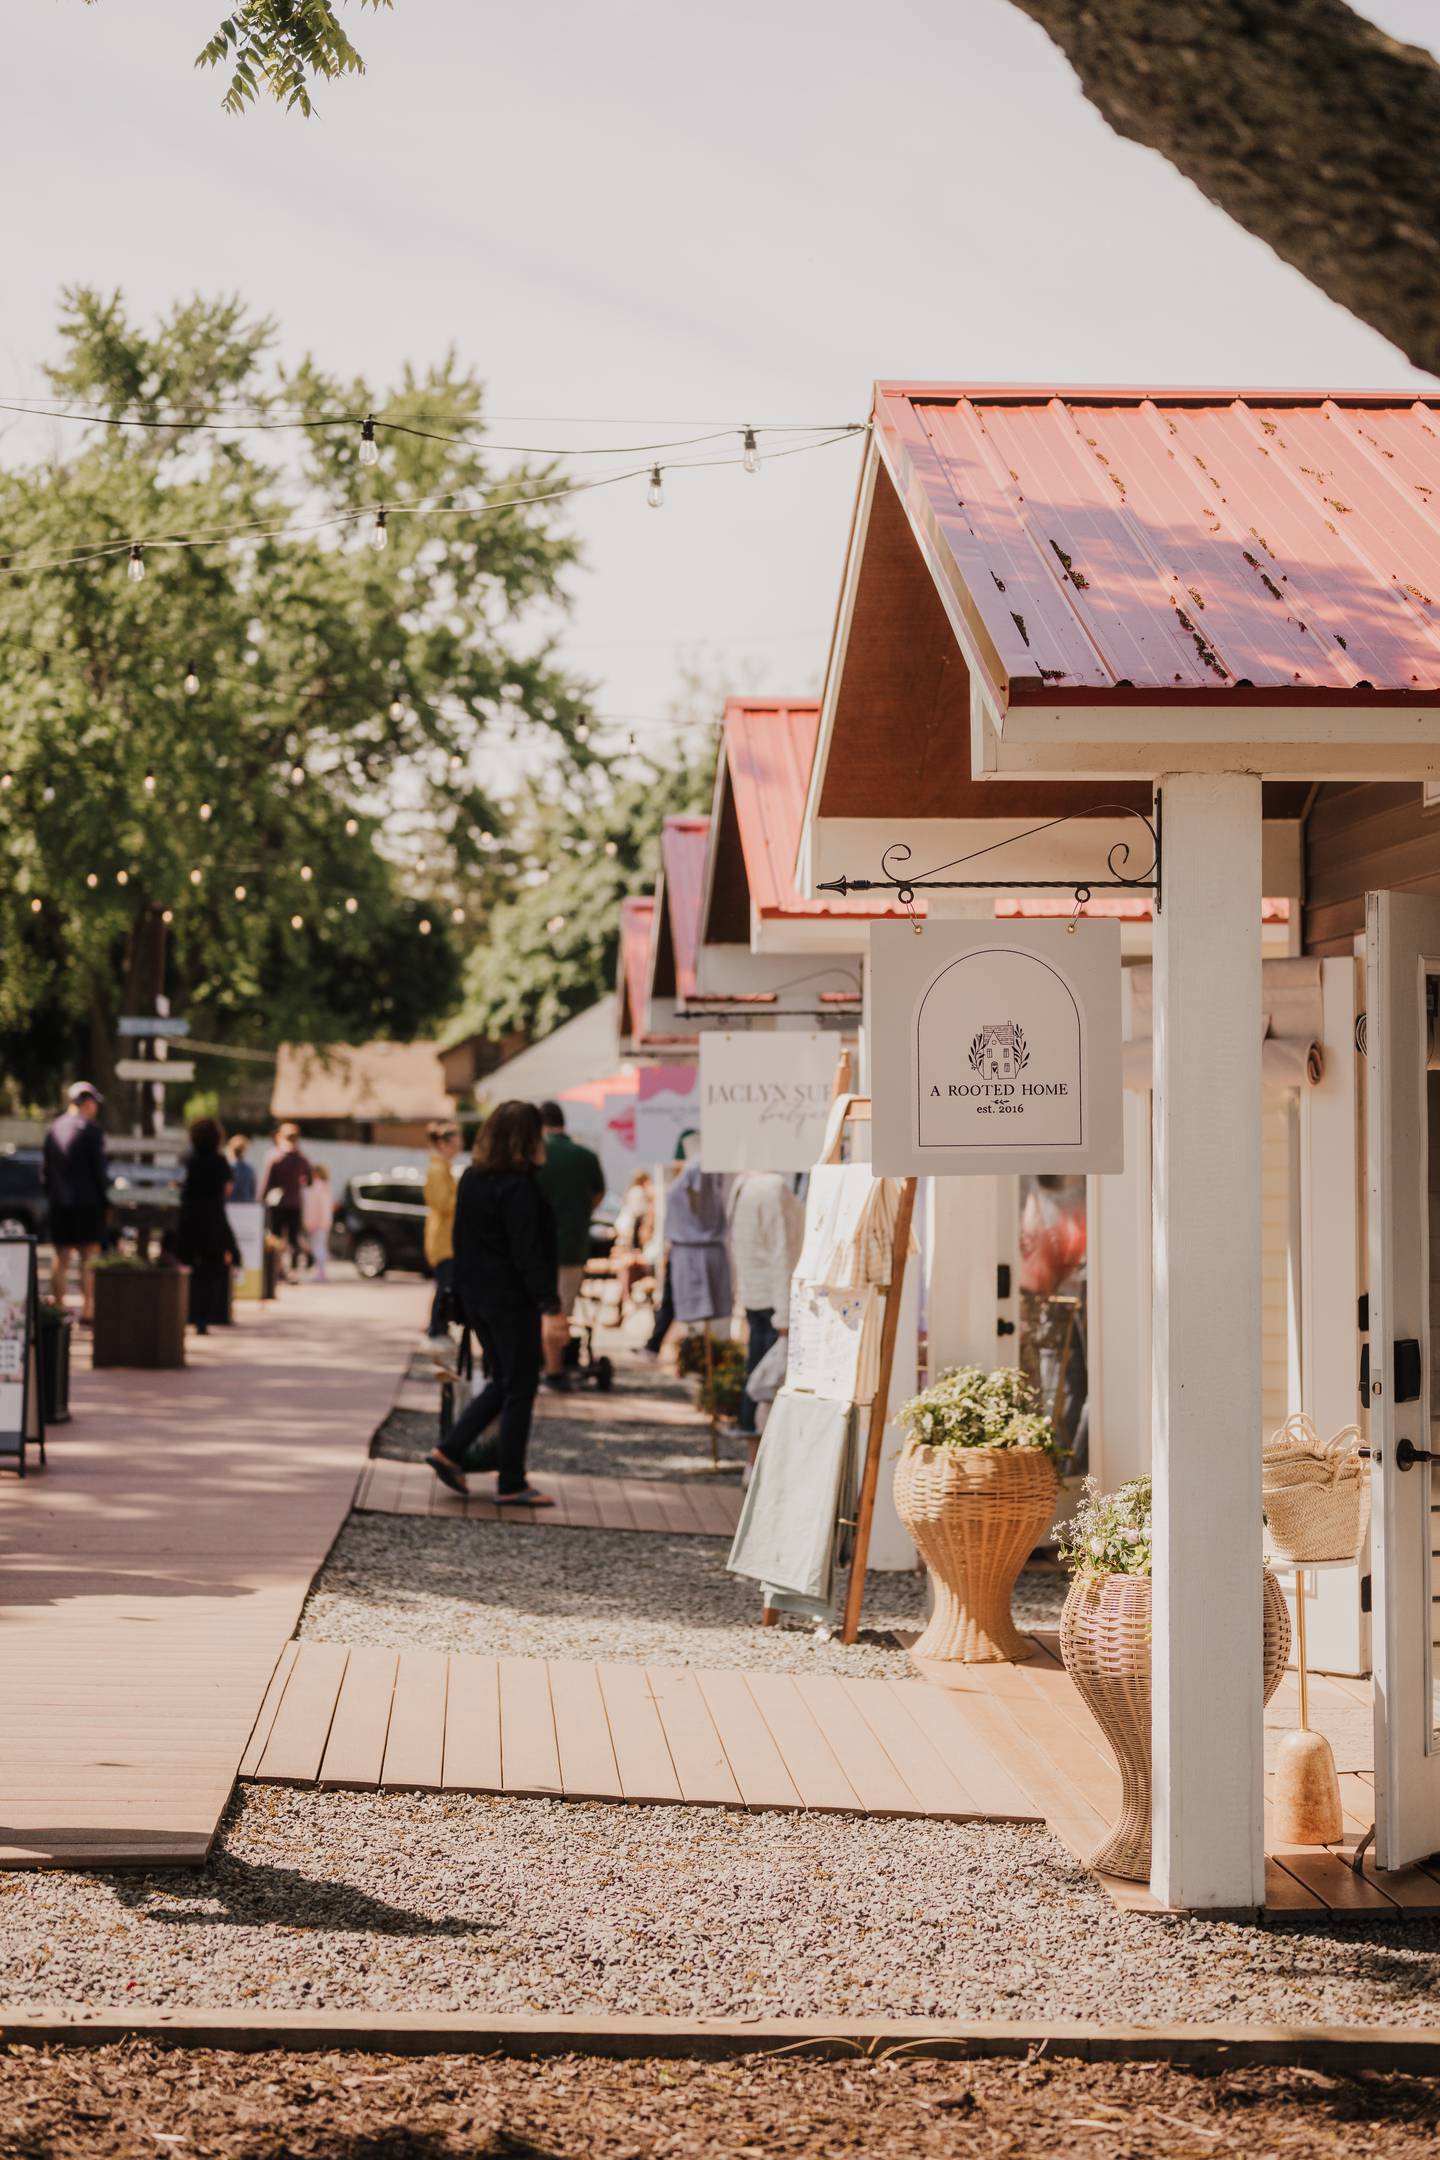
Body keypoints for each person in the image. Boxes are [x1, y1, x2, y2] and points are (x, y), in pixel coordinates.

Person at [426, 1100, 562, 1507]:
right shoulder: (518, 1186)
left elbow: (462, 1241)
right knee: (521, 1383)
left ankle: (449, 1450)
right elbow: (527, 1252)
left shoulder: (471, 1177)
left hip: (476, 1297)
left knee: (505, 1379)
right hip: (510, 1298)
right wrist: (550, 1305)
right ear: (527, 1139)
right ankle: (511, 1479)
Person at [725, 1171, 805, 1448]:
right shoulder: (772, 1188)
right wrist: (784, 1315)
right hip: (774, 1300)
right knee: (770, 1387)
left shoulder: (743, 1186)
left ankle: (752, 1459)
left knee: (757, 1377)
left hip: (755, 1296)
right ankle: (759, 1459)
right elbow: (781, 1250)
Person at [534, 1099, 605, 1392]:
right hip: (573, 1247)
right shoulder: (585, 1156)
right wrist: (580, 1213)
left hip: (537, 1248)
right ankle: (556, 1367)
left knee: (542, 1311)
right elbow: (598, 1194)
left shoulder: (534, 1156)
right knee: (563, 1310)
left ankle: (548, 1368)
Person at [42, 1082, 110, 1325]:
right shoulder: (92, 1130)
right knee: (89, 1255)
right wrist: (106, 1201)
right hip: (88, 1201)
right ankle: (88, 1310)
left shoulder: (54, 1128)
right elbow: (99, 1170)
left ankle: (58, 1309)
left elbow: (46, 1170)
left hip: (59, 1201)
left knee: (61, 1256)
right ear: (87, 1102)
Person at [176, 1116, 238, 1334]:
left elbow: (176, 1184)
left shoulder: (186, 1158)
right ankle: (202, 1318)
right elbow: (227, 1188)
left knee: (187, 1265)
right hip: (213, 1219)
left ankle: (186, 1311)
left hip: (188, 1218)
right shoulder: (220, 1161)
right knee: (209, 1270)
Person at [423, 1121, 463, 1344]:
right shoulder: (438, 1169)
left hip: (446, 1236)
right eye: (455, 1142)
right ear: (443, 1143)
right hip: (443, 1237)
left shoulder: (443, 1167)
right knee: (444, 1284)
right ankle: (436, 1326)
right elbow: (442, 1203)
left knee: (446, 1283)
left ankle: (440, 1325)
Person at [258, 1122, 311, 1280]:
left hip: (277, 1204)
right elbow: (309, 1181)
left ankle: (277, 1269)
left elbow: (266, 1183)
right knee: (293, 1239)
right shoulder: (301, 1158)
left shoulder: (274, 1156)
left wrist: (260, 1200)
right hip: (294, 1203)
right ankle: (293, 1271)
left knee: (276, 1237)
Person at [303, 1163, 335, 1282]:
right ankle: (322, 1271)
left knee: (317, 1248)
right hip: (325, 1222)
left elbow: (313, 1208)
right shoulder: (326, 1187)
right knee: (321, 1247)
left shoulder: (315, 1187)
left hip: (316, 1222)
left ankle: (321, 1272)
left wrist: (310, 1222)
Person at [226, 1134, 257, 1204]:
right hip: (246, 1204)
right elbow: (252, 1191)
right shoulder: (249, 1169)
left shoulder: (228, 1167)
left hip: (230, 1205)